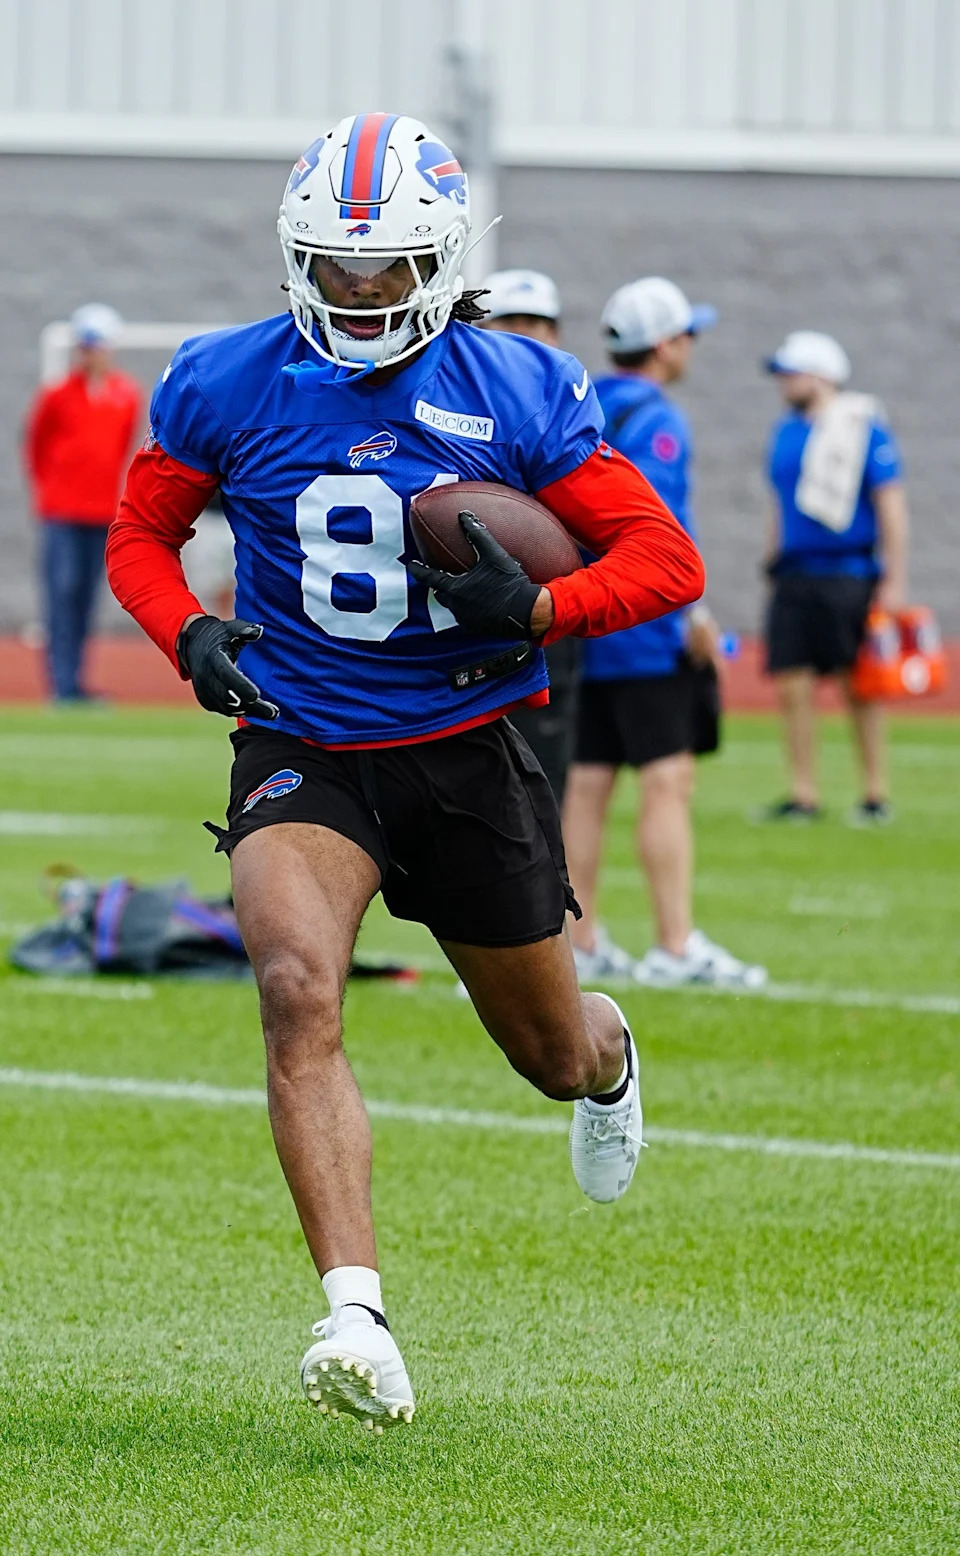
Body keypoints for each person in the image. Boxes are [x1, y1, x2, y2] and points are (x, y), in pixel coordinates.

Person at [107, 114, 704, 1432]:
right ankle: (356, 1316)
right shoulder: (224, 379)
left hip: (464, 748)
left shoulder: (517, 388)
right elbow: (140, 536)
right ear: (292, 255)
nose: (357, 292)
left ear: (438, 262)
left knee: (550, 1052)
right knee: (292, 983)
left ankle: (611, 1067)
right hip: (305, 739)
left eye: (383, 269)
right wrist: (189, 633)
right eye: (332, 265)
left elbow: (667, 563)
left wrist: (543, 613)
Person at [563, 278, 765, 989]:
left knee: (587, 784)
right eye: (687, 334)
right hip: (643, 624)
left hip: (585, 621)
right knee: (667, 780)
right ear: (665, 343)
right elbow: (653, 525)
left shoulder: (582, 405)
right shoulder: (659, 419)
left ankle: (581, 939)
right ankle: (676, 945)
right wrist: (691, 616)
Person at [761, 331, 909, 824]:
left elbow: (890, 502)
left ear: (821, 374)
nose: (784, 382)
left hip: (848, 571)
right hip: (796, 573)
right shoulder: (786, 430)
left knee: (859, 683)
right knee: (792, 682)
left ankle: (874, 791)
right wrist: (772, 556)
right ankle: (803, 792)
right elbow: (780, 504)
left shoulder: (862, 426)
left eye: (791, 372)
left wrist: (893, 576)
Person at [478, 268, 579, 803]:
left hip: (543, 618)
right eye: (511, 320)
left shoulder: (574, 415)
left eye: (538, 322)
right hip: (452, 623)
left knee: (542, 785)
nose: (526, 333)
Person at [24, 304, 141, 701]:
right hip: (61, 512)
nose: (90, 354)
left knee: (88, 597)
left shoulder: (126, 396)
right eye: (85, 346)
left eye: (96, 346)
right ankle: (61, 683)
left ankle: (76, 680)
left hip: (101, 512)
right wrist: (50, 492)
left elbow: (122, 448)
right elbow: (36, 445)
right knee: (62, 592)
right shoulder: (56, 395)